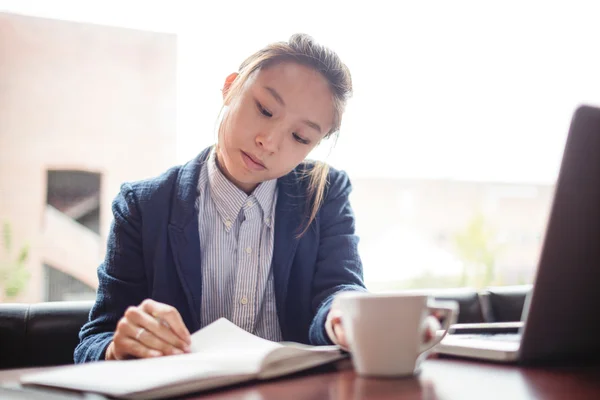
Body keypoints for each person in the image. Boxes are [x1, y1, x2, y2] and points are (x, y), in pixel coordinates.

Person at [74, 33, 366, 362]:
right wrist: (117, 348)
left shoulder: (324, 194)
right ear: (231, 87)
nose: (268, 142)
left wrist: (345, 316)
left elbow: (339, 289)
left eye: (300, 137)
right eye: (265, 110)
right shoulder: (143, 206)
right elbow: (95, 340)